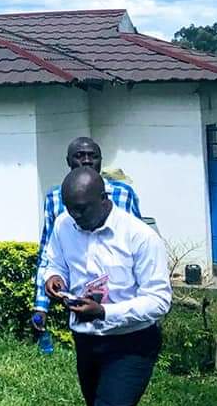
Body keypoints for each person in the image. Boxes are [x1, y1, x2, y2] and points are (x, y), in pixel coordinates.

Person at [44, 168, 171, 406]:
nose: (75, 217)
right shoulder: (65, 224)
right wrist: (53, 280)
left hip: (132, 344)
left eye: (82, 209)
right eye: (70, 209)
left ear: (105, 201)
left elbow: (159, 300)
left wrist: (105, 312)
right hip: (88, 341)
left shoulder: (140, 237)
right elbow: (54, 262)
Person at [33, 137, 157, 326]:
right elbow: (49, 254)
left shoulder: (124, 194)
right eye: (79, 156)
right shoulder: (55, 199)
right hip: (82, 316)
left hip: (124, 317)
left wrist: (146, 304)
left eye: (93, 156)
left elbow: (141, 250)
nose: (87, 161)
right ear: (68, 161)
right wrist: (42, 304)